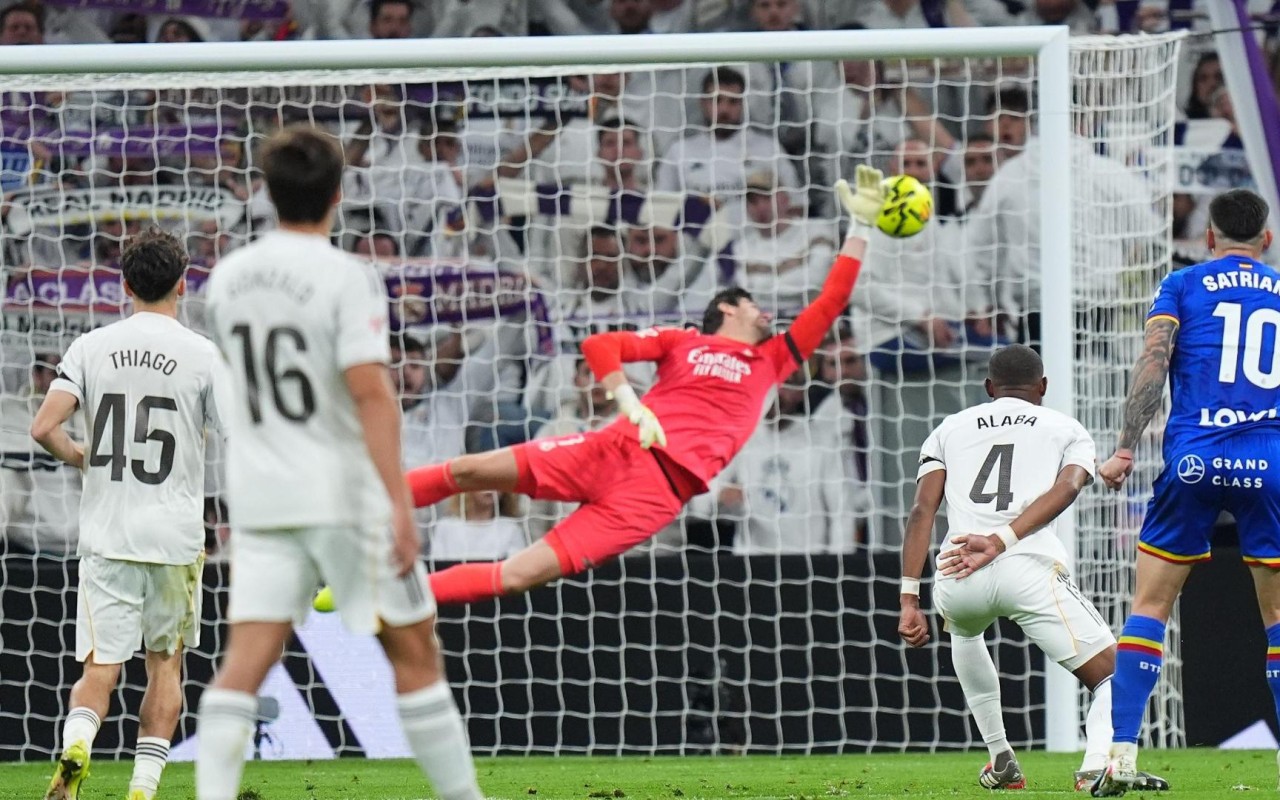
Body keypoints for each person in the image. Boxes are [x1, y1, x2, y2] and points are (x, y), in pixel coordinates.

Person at [318, 165, 889, 609]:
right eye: (753, 304)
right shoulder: (683, 340)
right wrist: (628, 401)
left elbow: (832, 299)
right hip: (611, 447)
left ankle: (375, 597)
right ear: (729, 309)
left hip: (653, 497)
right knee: (467, 471)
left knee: (518, 575)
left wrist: (861, 226)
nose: (765, 312)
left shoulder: (771, 360)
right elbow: (599, 346)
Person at [197, 126, 482, 800]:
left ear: (267, 192)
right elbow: (371, 395)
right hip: (341, 496)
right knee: (415, 652)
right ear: (338, 195)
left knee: (242, 666)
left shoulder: (227, 279)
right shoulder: (346, 277)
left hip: (262, 498)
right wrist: (400, 506)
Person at [898, 345, 1168, 793]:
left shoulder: (949, 428)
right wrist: (1002, 541)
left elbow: (921, 510)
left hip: (958, 571)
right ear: (1043, 386)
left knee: (964, 633)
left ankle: (1000, 756)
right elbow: (1069, 488)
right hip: (1026, 565)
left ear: (989, 387)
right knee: (1114, 674)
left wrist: (909, 598)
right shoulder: (1066, 428)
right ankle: (1094, 767)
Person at [1090, 189, 1280, 796]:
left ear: (1210, 237)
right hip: (1271, 461)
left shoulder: (1182, 284)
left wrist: (1125, 447)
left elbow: (1154, 362)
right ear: (1266, 239)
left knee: (1150, 606)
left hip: (1196, 458)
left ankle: (1121, 754)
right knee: (1278, 620)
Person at [33, 229, 220, 800]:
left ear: (125, 284)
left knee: (99, 668)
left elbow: (43, 427)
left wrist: (81, 457)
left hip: (108, 535)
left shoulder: (92, 346)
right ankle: (142, 786)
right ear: (182, 285)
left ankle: (77, 746)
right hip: (174, 539)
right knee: (165, 666)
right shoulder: (203, 354)